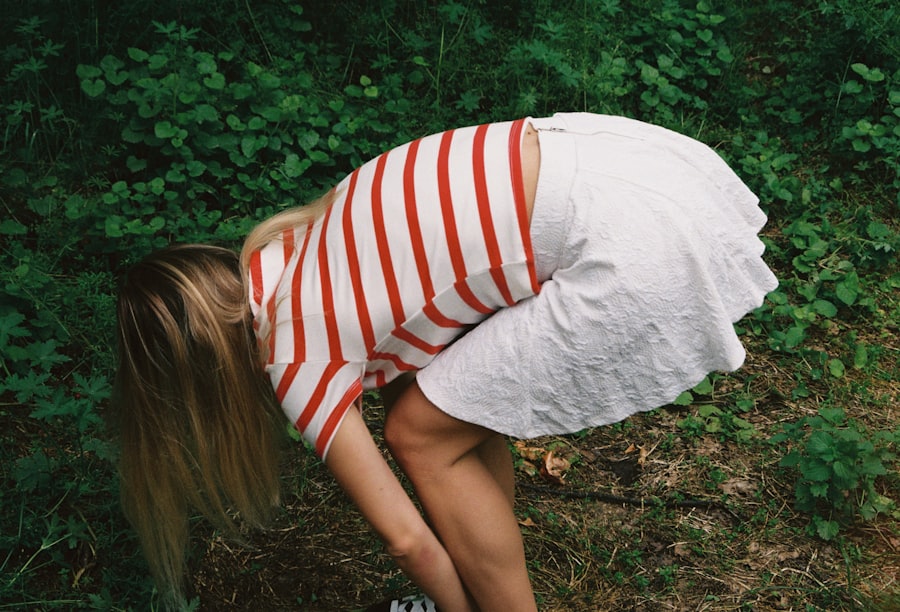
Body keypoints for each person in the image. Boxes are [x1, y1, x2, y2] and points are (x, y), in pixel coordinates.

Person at [114, 112, 778, 610]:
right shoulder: (289, 247)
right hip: (622, 167)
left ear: (194, 384)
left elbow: (407, 540)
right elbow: (457, 391)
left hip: (629, 240)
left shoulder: (293, 350)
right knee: (441, 412)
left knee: (418, 436)